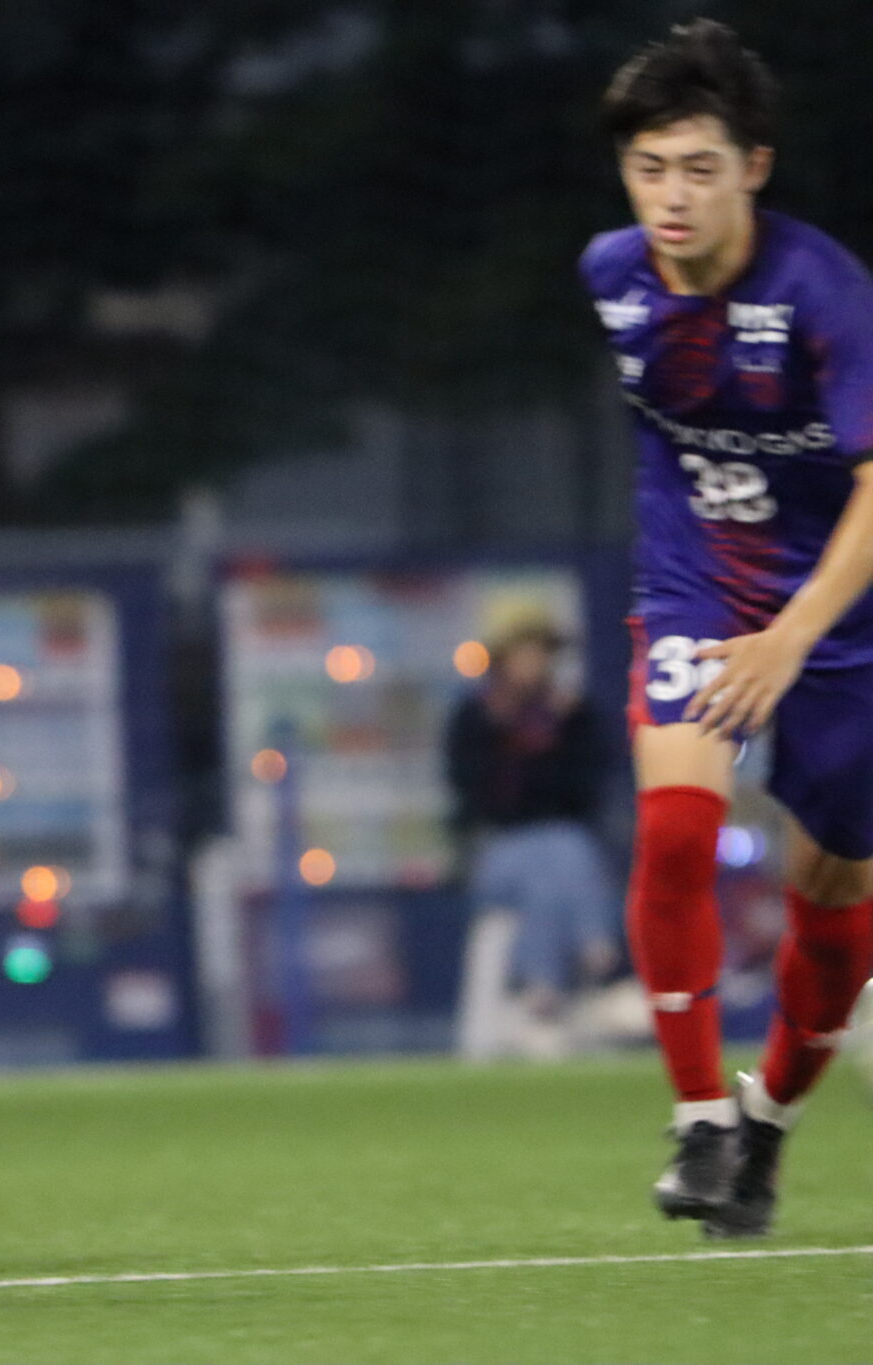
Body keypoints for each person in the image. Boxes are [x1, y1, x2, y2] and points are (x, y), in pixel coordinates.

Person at [583, 20, 873, 1239]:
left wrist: (791, 637)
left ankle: (766, 1122)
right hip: (696, 585)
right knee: (671, 828)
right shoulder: (610, 276)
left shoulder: (823, 292)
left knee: (833, 887)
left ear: (752, 167)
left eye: (697, 168)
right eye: (647, 167)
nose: (669, 196)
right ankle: (699, 1121)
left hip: (840, 614)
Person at [446, 617, 621, 1053]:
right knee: (559, 853)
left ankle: (543, 989)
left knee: (558, 854)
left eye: (542, 653)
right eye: (525, 653)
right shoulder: (477, 716)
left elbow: (584, 790)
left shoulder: (573, 716)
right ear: (503, 660)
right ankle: (592, 942)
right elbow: (476, 794)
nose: (534, 663)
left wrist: (557, 733)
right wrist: (506, 735)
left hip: (561, 845)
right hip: (498, 849)